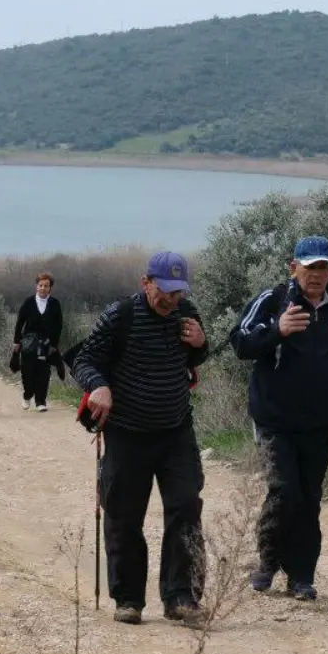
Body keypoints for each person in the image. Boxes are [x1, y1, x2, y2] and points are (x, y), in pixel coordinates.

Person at [71, 251, 210, 626]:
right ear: (146, 282)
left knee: (185, 508)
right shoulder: (122, 316)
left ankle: (181, 597)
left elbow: (196, 359)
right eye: (165, 291)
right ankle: (129, 598)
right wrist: (98, 386)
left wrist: (200, 342)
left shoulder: (187, 311)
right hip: (128, 432)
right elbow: (84, 360)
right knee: (123, 514)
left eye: (178, 292)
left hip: (176, 429)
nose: (172, 300)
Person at [229, 235, 328, 601]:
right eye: (310, 267)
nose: (316, 275)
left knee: (309, 497)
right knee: (284, 490)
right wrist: (278, 330)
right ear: (294, 268)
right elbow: (239, 341)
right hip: (274, 419)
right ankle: (268, 563)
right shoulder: (274, 300)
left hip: (319, 422)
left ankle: (302, 575)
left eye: (323, 267)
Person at [12, 273, 63, 411]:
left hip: (45, 345)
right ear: (36, 286)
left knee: (44, 373)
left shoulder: (54, 303)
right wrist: (16, 341)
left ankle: (41, 401)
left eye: (46, 286)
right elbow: (20, 322)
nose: (43, 288)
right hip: (28, 344)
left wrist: (54, 344)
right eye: (41, 285)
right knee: (27, 372)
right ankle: (27, 395)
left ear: (50, 288)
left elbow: (59, 325)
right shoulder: (28, 302)